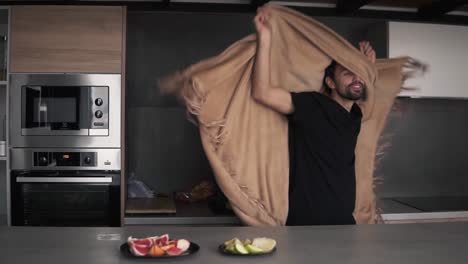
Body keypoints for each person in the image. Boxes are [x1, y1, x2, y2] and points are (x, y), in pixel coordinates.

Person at [252, 7, 376, 225]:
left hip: (345, 224)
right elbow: (262, 92)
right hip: (307, 225)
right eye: (347, 73)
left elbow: (367, 90)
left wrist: (368, 67)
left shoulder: (355, 115)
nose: (356, 78)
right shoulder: (313, 106)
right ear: (330, 83)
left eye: (359, 74)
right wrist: (265, 38)